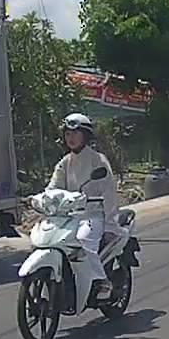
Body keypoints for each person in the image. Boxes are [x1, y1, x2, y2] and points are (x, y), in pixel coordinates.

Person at [48, 113, 119, 301]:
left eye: (75, 133)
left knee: (82, 240)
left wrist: (111, 226)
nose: (70, 138)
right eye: (67, 134)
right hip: (69, 217)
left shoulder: (98, 160)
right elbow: (53, 188)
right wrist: (41, 198)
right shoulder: (64, 163)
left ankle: (102, 281)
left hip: (93, 216)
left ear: (85, 136)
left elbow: (110, 194)